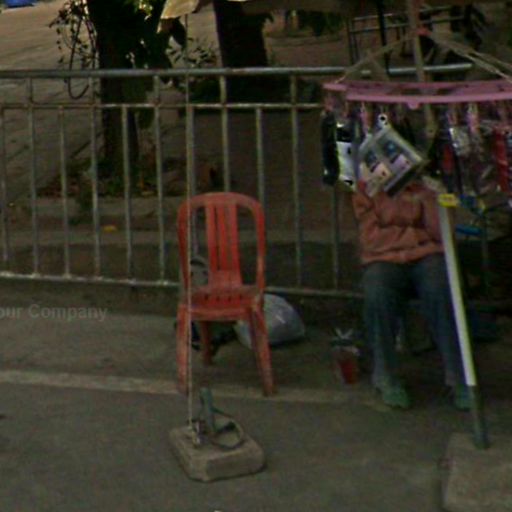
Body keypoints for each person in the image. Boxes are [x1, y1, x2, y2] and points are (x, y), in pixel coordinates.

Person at [352, 180, 470, 410]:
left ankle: (459, 376)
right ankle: (385, 375)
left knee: (442, 288)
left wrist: (428, 197)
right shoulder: (367, 187)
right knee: (377, 292)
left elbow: (443, 233)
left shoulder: (430, 185)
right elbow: (371, 240)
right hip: (383, 259)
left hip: (428, 257)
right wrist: (416, 234)